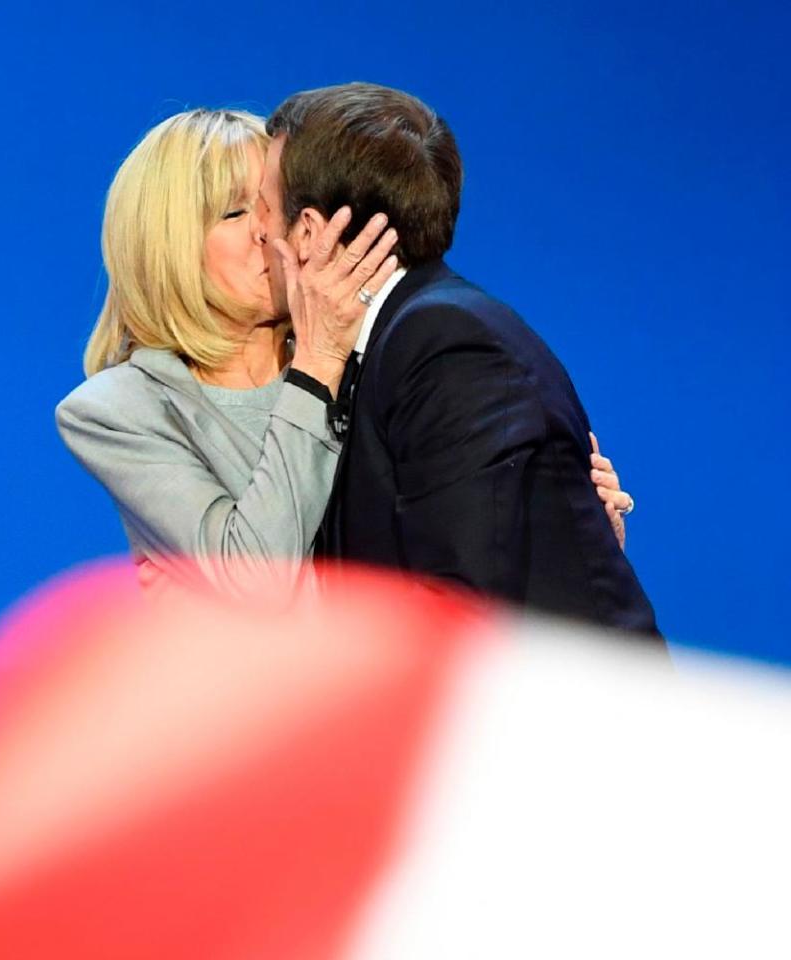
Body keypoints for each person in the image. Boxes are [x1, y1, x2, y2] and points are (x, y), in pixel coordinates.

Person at [56, 108, 632, 596]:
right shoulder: (119, 409)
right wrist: (316, 367)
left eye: (270, 205)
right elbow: (259, 584)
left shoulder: (380, 356)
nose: (268, 232)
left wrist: (562, 522)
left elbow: (438, 558)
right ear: (166, 247)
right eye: (235, 213)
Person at [259, 83, 658, 634]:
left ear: (306, 233)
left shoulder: (445, 345)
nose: (257, 230)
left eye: (261, 206)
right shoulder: (395, 341)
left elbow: (462, 611)